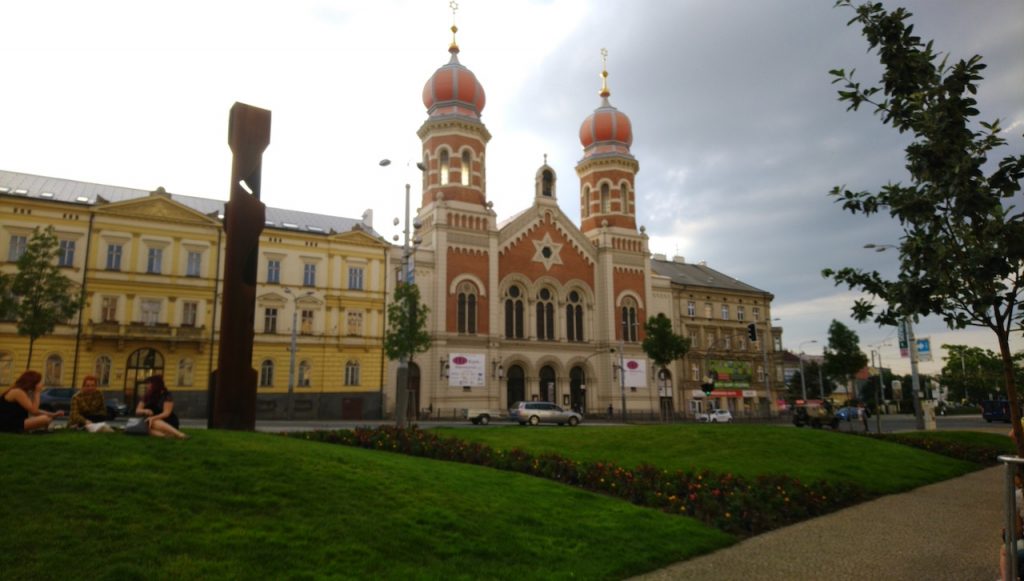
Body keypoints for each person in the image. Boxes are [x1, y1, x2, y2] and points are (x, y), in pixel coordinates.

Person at [135, 375, 187, 440]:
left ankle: (180, 434)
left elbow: (166, 413)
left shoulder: (166, 395)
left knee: (153, 422)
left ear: (155, 384)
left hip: (167, 421)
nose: (147, 385)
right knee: (145, 429)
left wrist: (153, 418)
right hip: (150, 421)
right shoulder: (147, 396)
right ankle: (168, 436)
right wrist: (145, 411)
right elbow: (137, 410)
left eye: (149, 383)